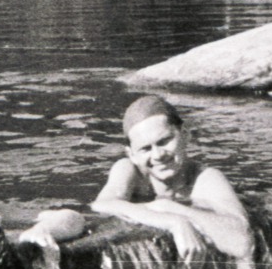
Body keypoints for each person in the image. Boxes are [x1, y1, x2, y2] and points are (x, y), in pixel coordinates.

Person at [91, 95, 251, 259]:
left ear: (185, 134)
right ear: (131, 154)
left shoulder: (205, 179)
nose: (158, 155)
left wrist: (173, 208)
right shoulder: (131, 170)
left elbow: (242, 243)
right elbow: (101, 206)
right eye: (145, 149)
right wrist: (173, 222)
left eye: (164, 141)